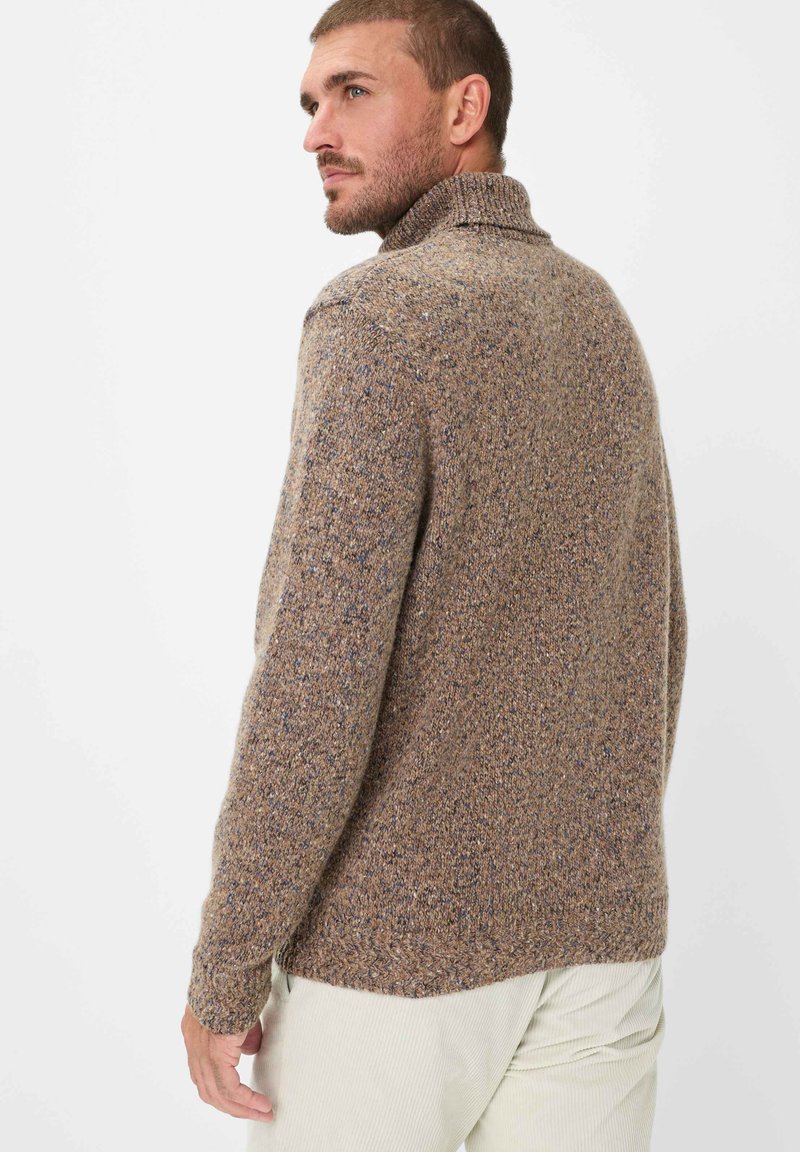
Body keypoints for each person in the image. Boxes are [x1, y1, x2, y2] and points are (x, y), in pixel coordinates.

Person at [181, 2, 689, 1149]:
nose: (315, 131)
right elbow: (656, 631)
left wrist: (227, 964)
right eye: (310, 102)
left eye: (354, 92)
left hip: (394, 966)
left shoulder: (376, 316)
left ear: (466, 108)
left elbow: (315, 677)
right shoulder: (594, 313)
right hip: (600, 948)